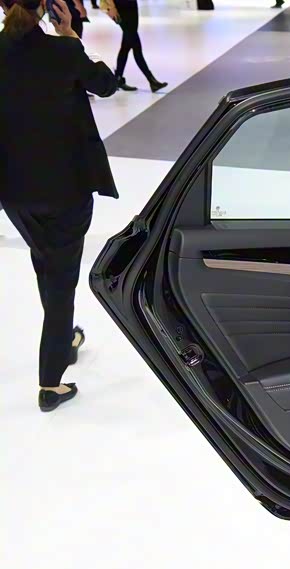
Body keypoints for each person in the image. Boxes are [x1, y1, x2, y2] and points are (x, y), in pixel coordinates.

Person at [0, 0, 118, 411]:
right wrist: (70, 34)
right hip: (66, 187)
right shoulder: (63, 50)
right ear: (47, 7)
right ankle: (51, 382)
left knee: (46, 262)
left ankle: (64, 338)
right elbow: (107, 84)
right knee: (61, 277)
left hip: (14, 190)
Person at [102, 0, 167, 92]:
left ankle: (118, 78)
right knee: (136, 45)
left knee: (126, 45)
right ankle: (151, 80)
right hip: (120, 7)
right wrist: (112, 7)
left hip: (131, 5)